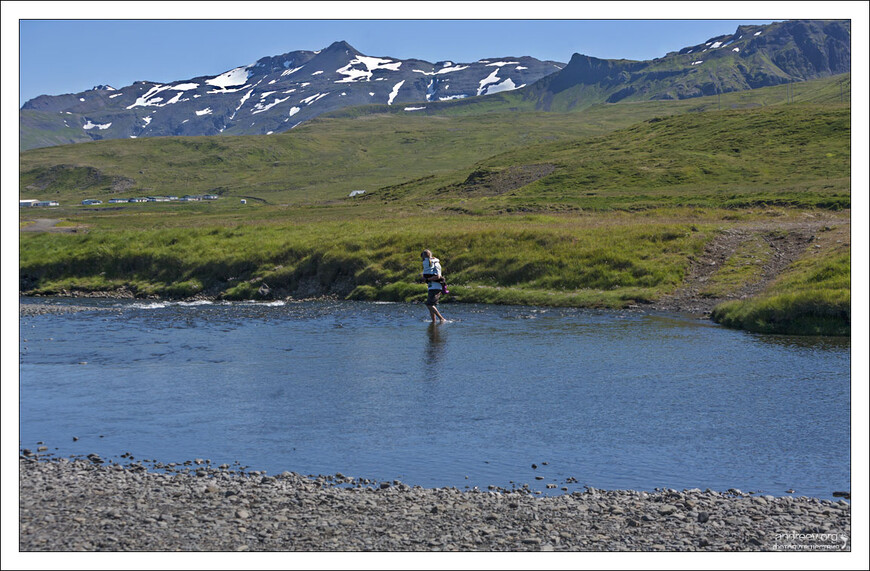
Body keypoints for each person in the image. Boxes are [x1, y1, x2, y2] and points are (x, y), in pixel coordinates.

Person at [420, 249, 447, 323]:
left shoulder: (436, 264)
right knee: (430, 306)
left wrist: (427, 279)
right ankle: (433, 322)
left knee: (429, 304)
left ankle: (442, 319)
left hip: (436, 287)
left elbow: (438, 277)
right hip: (431, 287)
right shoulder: (429, 265)